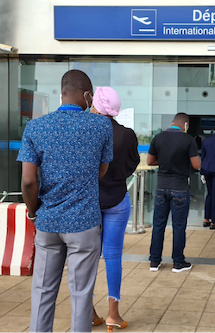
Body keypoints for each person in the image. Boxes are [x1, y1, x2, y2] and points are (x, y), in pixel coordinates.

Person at [17, 69, 113, 332]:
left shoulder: (35, 127)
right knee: (81, 294)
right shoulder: (101, 126)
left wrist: (34, 212)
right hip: (84, 223)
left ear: (61, 93)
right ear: (86, 95)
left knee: (43, 290)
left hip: (47, 223)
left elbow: (28, 181)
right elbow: (101, 172)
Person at [90, 87, 139, 332]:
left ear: (97, 105)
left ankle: (88, 310)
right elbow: (132, 163)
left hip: (89, 202)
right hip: (118, 200)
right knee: (113, 256)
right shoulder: (127, 134)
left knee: (86, 257)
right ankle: (113, 314)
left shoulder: (87, 131)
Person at [147, 113, 201, 272]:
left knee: (158, 226)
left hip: (161, 187)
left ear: (172, 123)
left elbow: (150, 161)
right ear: (185, 124)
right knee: (178, 227)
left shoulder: (158, 138)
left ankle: (154, 262)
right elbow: (196, 165)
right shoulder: (188, 140)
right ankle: (178, 262)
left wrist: (163, 162)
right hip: (180, 188)